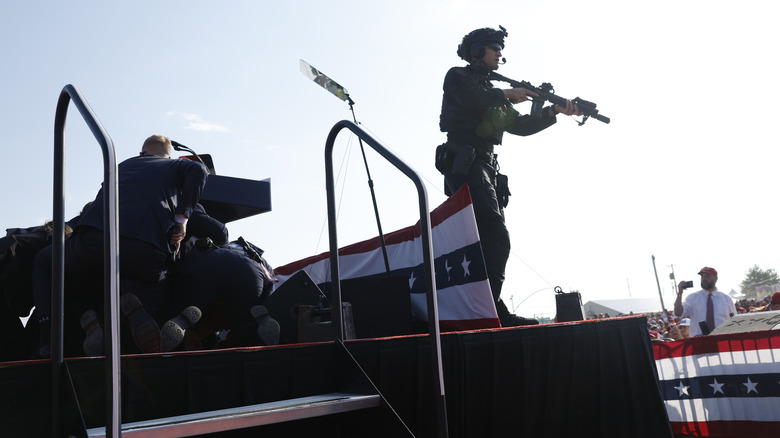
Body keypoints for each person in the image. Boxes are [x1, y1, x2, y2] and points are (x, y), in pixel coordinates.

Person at [435, 26, 581, 327]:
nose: (500, 53)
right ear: (477, 52)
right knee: (495, 236)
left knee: (488, 240)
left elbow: (522, 126)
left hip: (484, 167)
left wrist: (554, 110)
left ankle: (489, 306)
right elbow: (474, 99)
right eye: (493, 47)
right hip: (466, 163)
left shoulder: (494, 94)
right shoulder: (458, 77)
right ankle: (487, 310)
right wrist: (508, 93)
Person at [31, 135, 209, 356]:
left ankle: (49, 338)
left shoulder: (122, 166)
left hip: (98, 241)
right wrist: (181, 221)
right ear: (168, 155)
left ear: (142, 153)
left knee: (44, 262)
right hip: (147, 250)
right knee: (155, 315)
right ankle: (148, 334)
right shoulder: (175, 165)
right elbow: (199, 171)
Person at [674, 267, 736, 336]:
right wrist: (680, 293)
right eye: (702, 276)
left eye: (707, 276)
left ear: (715, 278)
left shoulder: (726, 299)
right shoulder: (692, 298)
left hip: (722, 340)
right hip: (699, 342)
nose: (704, 279)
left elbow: (735, 321)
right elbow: (678, 313)